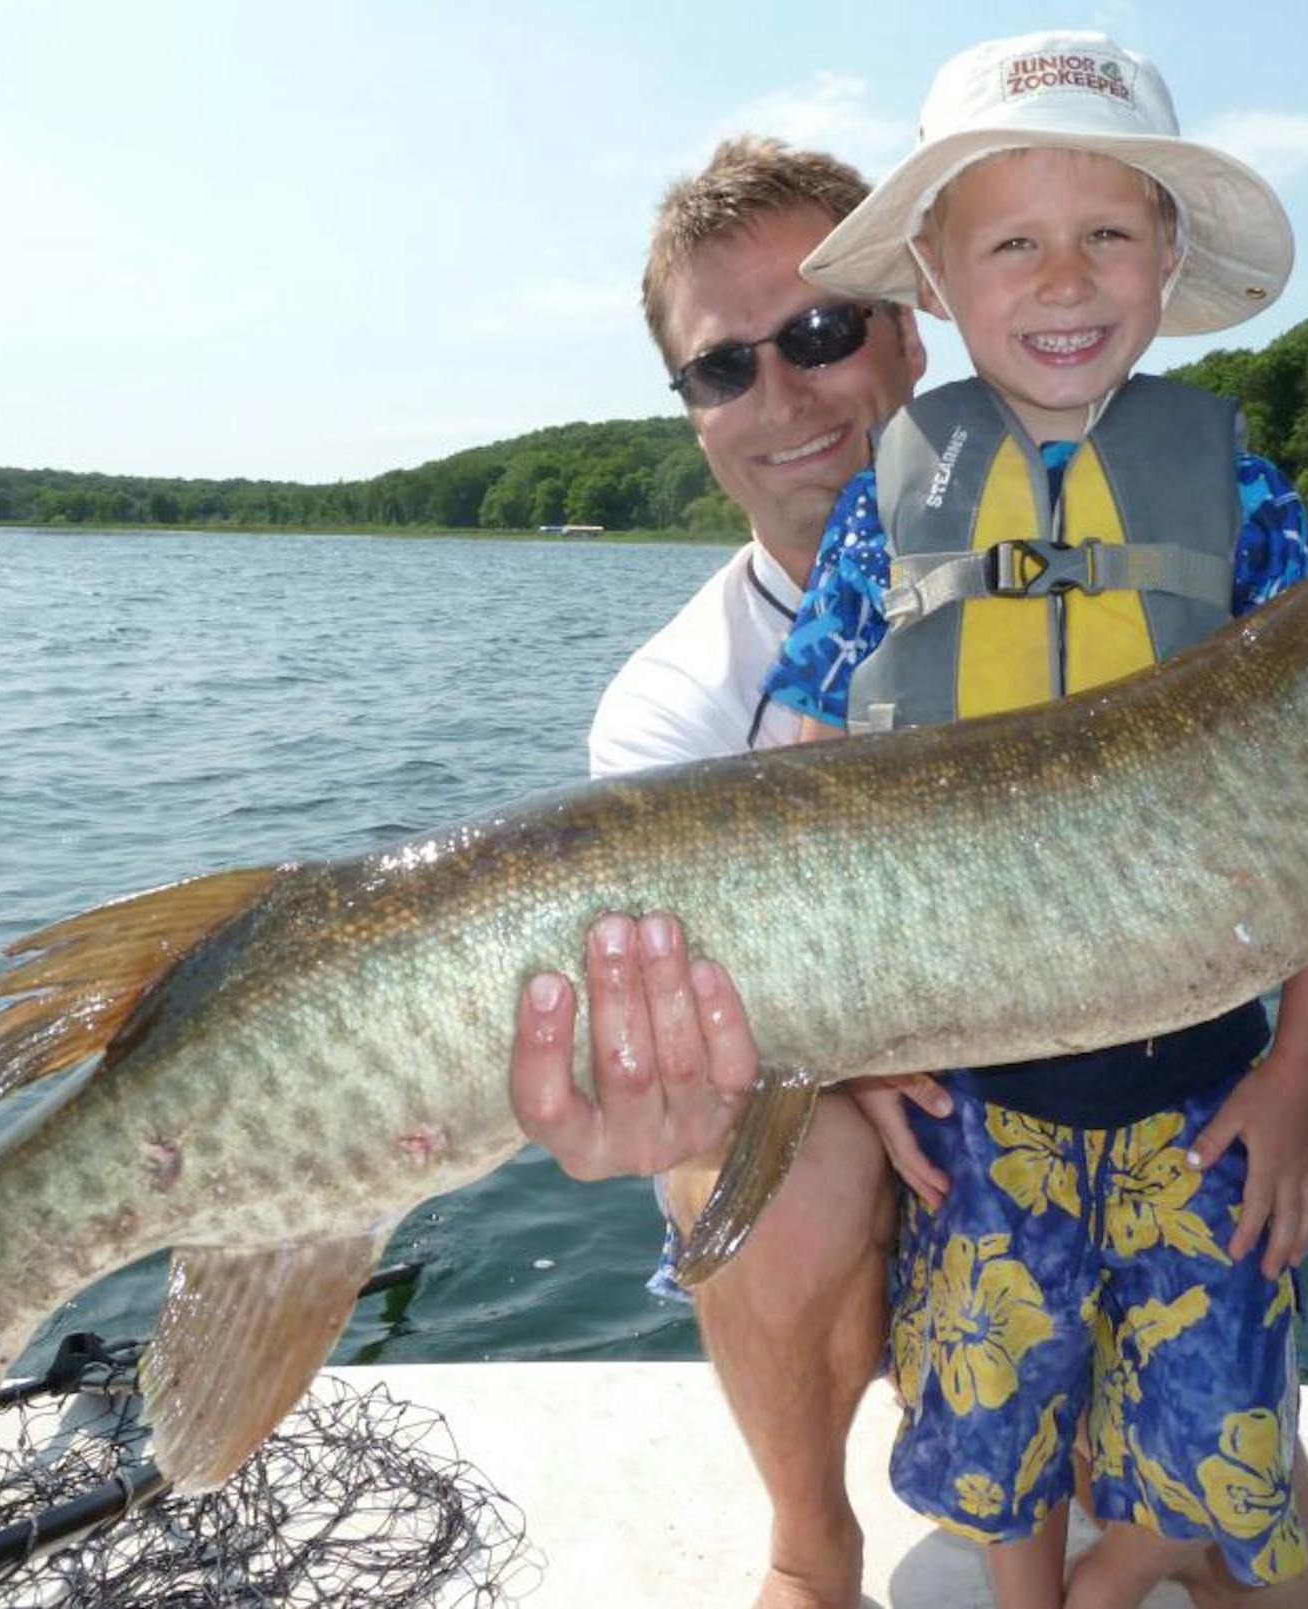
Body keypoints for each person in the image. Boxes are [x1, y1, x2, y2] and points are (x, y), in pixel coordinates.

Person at [757, 31, 1308, 1608]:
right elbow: (797, 779)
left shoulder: (1247, 490)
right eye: (1012, 240)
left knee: (1225, 1422)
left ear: (1168, 260)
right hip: (970, 1095)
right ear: (938, 280)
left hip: (1207, 1082)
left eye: (1110, 235)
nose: (1065, 279)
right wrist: (861, 1044)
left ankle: (1117, 1572)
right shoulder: (895, 493)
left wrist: (1298, 1077)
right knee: (993, 1414)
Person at [508, 134, 931, 1609]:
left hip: (1096, 1143)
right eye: (724, 366)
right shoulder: (670, 706)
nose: (787, 396)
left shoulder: (1117, 569)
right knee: (742, 1140)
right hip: (872, 1156)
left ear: (909, 329)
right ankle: (810, 1547)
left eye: (822, 330)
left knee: (1283, 1571)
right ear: (691, 410)